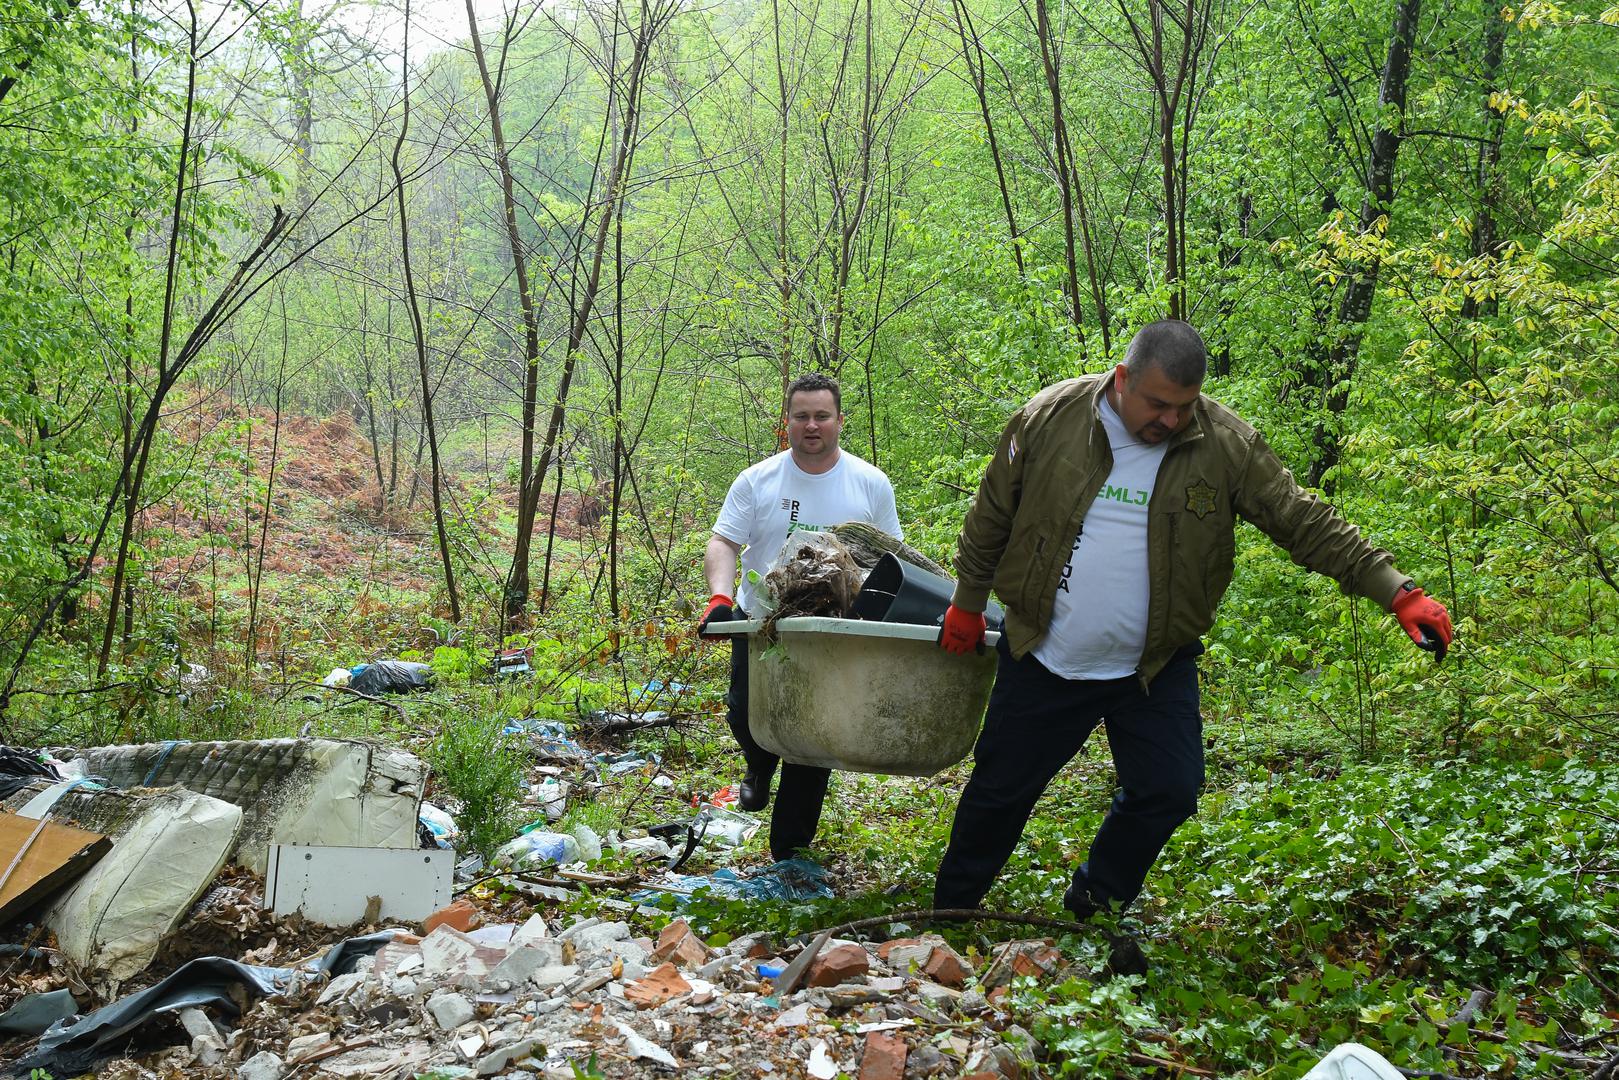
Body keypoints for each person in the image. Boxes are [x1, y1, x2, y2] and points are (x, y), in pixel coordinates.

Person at [933, 319, 1453, 958]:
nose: (1170, 421)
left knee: (1169, 789)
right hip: (1044, 651)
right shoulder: (1052, 418)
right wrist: (967, 603)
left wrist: (1396, 592)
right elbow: (992, 512)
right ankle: (951, 913)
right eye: (1156, 404)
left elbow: (1301, 519)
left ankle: (1096, 900)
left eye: (1183, 407)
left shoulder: (1223, 442)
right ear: (1122, 380)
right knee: (1000, 791)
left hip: (1153, 664)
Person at [698, 372, 901, 863]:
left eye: (822, 416)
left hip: (830, 628)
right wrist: (719, 598)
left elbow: (894, 558)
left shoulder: (870, 483)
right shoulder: (757, 479)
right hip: (761, 619)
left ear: (838, 421)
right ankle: (757, 765)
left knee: (811, 736)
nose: (812, 426)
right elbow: (723, 542)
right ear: (786, 421)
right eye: (802, 416)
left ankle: (789, 851)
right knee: (745, 713)